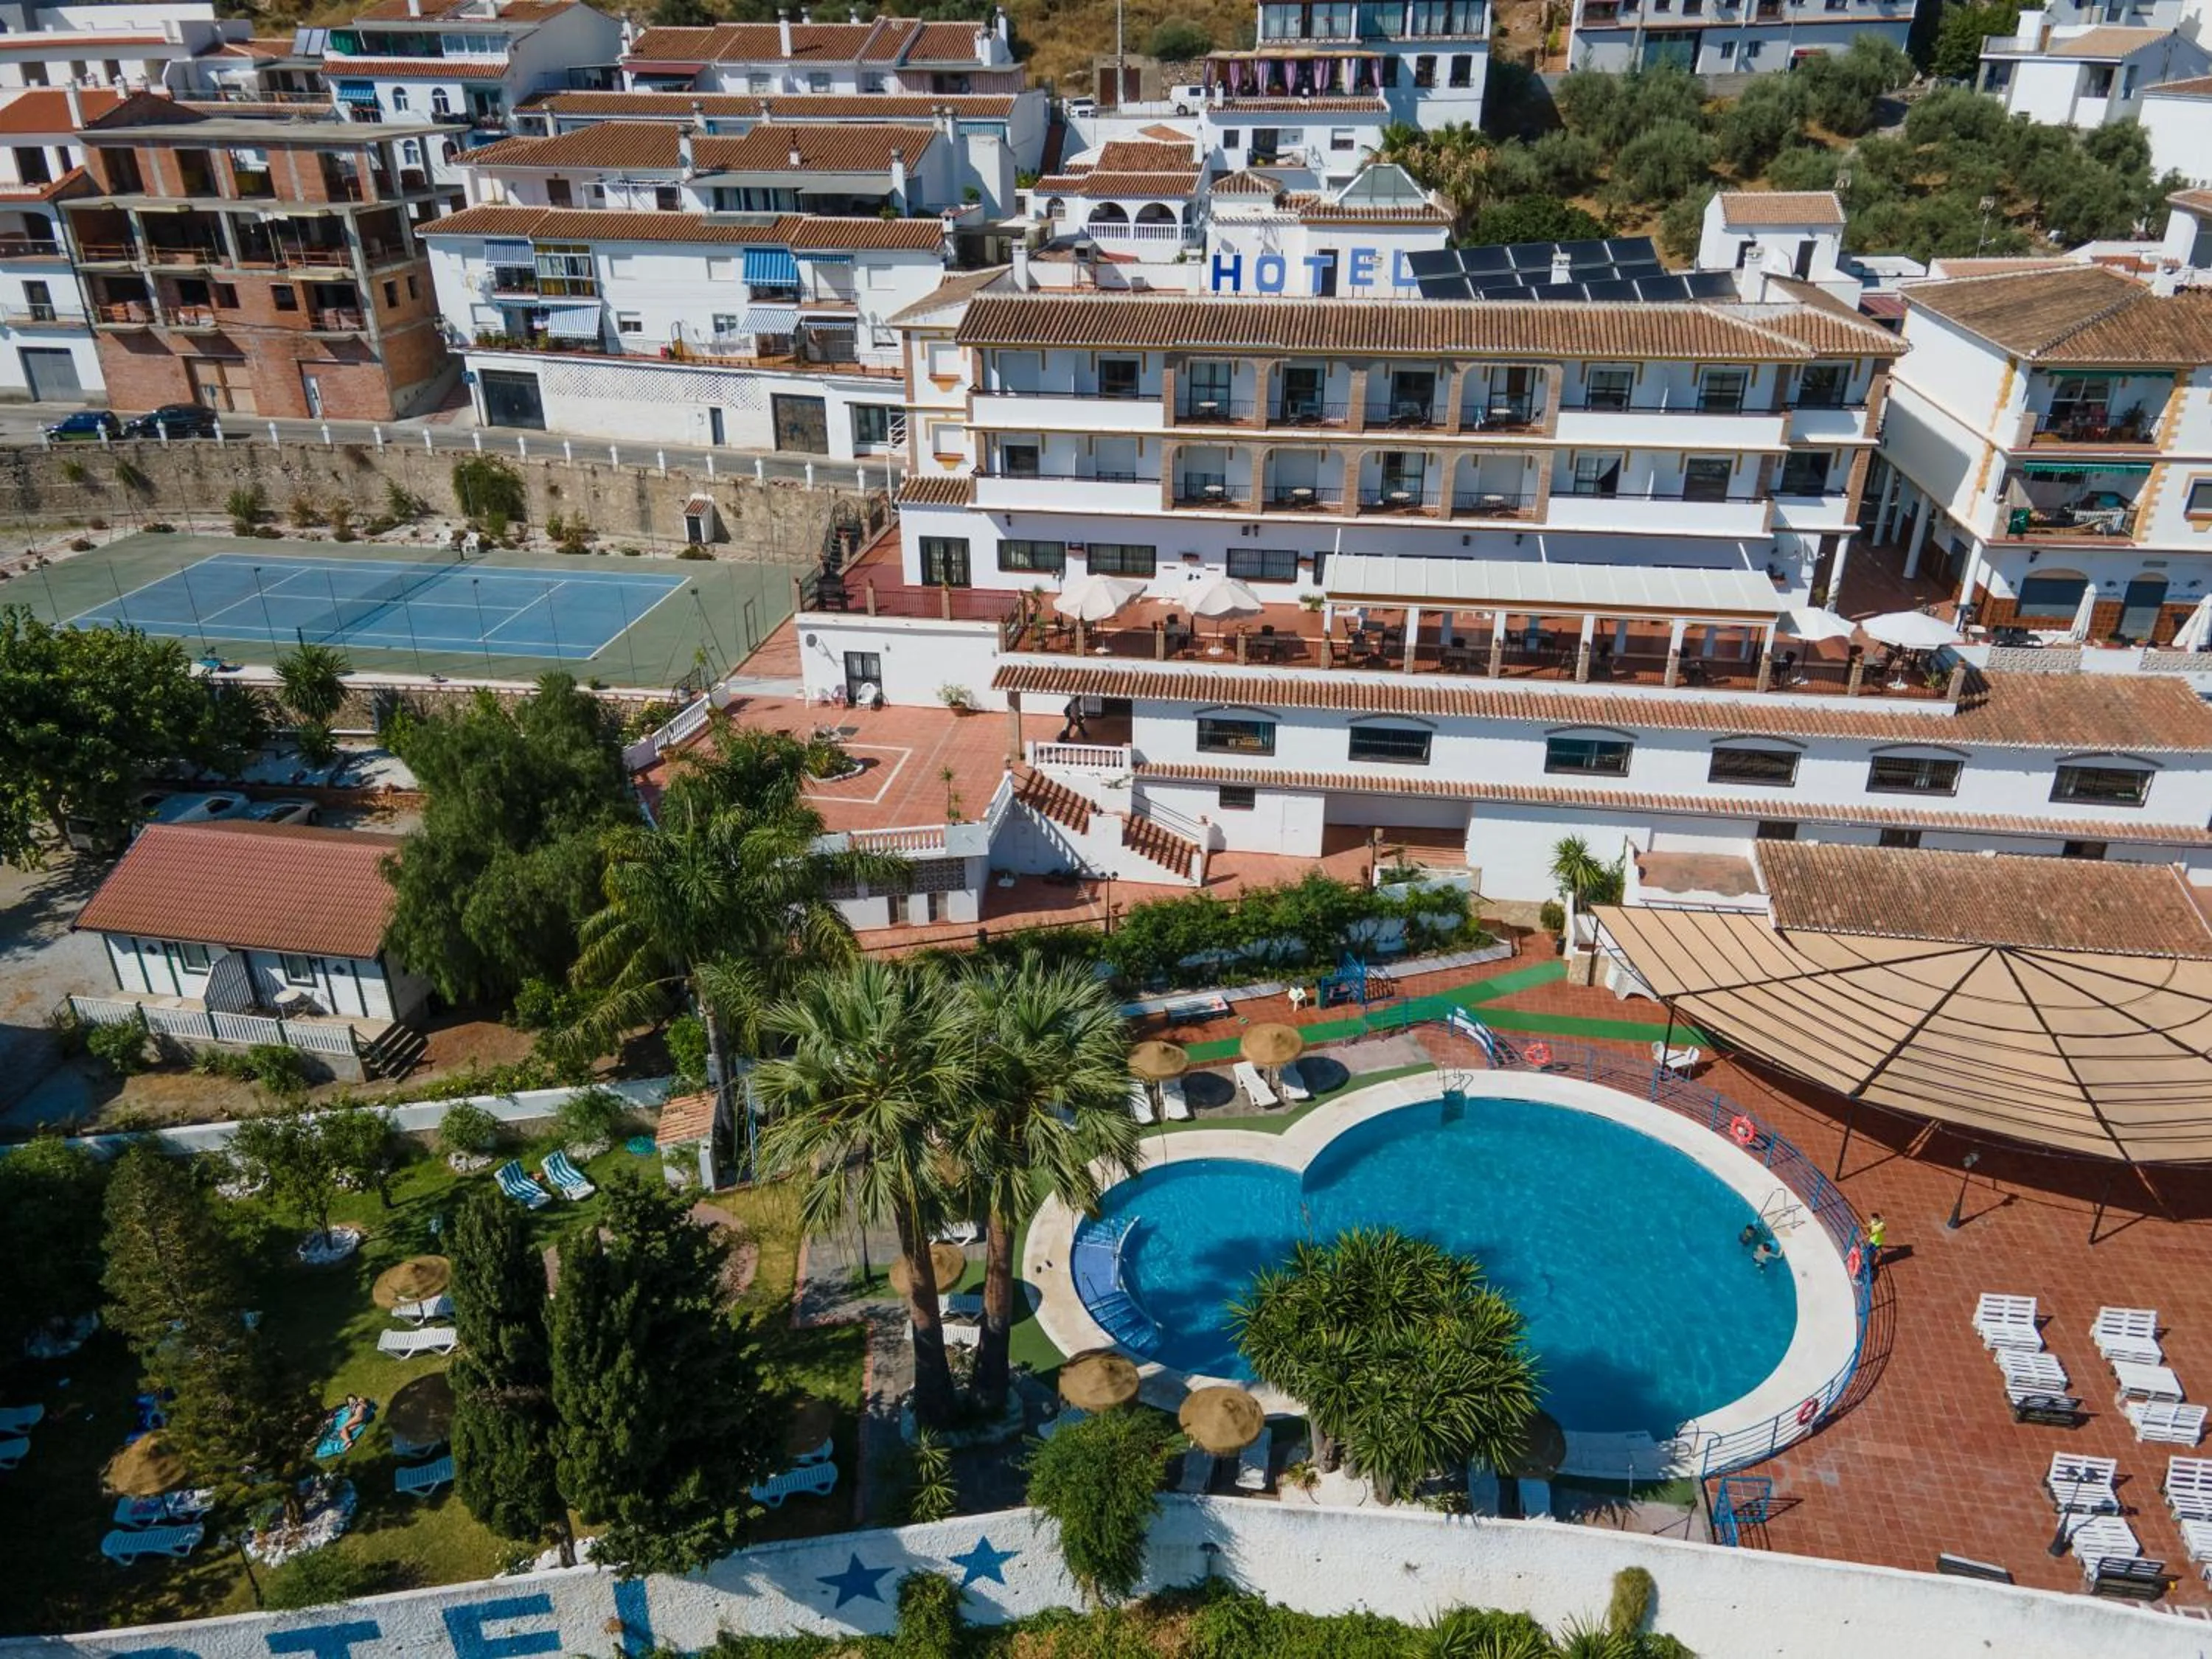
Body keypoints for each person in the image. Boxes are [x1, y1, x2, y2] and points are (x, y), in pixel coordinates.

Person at [1865, 1211, 1886, 1276]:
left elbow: (1875, 1232)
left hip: (1877, 1243)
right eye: (1872, 1219)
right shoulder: (1875, 1222)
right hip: (1872, 1240)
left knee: (1872, 1254)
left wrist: (1867, 1235)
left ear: (1877, 1219)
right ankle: (1869, 1264)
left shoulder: (1881, 1225)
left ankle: (1871, 1266)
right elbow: (1870, 1226)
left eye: (1873, 1219)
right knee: (1869, 1252)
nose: (1872, 1220)